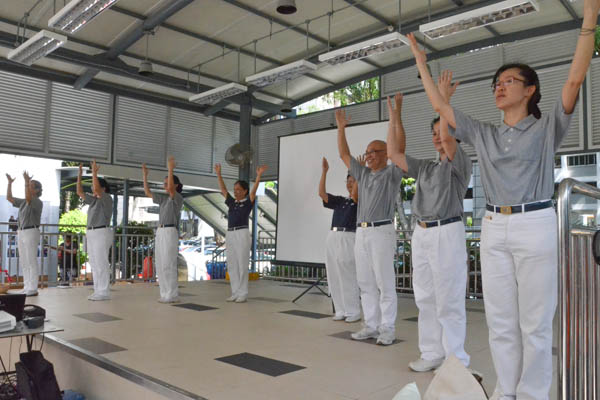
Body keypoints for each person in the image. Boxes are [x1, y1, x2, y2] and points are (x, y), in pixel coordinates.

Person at [407, 0, 599, 396]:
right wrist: (421, 64)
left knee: (535, 321)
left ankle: (531, 395)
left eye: (509, 81)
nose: (499, 85)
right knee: (500, 320)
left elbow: (575, 80)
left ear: (530, 91)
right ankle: (505, 391)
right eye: (497, 82)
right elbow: (440, 107)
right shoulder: (485, 134)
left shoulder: (548, 128)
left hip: (535, 222)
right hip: (494, 226)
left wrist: (591, 19)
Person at [386, 86, 472, 372]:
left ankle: (455, 359)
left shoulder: (460, 164)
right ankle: (432, 352)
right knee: (425, 297)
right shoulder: (425, 167)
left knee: (449, 298)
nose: (437, 136)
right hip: (421, 233)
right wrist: (395, 118)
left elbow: (448, 136)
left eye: (442, 131)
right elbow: (393, 152)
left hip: (446, 231)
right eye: (433, 133)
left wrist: (444, 103)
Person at [336, 108, 402, 346]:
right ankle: (371, 325)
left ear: (386, 154)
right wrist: (341, 128)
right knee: (365, 281)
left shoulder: (392, 173)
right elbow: (343, 154)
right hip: (361, 232)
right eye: (368, 152)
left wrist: (395, 118)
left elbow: (399, 150)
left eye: (375, 151)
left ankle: (387, 328)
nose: (370, 155)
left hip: (381, 231)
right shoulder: (363, 175)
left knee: (384, 282)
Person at [214, 163, 267, 303]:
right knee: (232, 264)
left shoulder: (248, 202)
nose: (236, 192)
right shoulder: (232, 203)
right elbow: (224, 190)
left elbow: (254, 191)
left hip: (242, 233)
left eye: (238, 189)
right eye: (235, 189)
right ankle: (235, 292)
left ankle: (243, 293)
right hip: (230, 233)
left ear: (244, 191)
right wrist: (218, 174)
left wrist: (259, 175)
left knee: (242, 263)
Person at [318, 157, 361, 323]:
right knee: (333, 274)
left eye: (353, 181)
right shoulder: (341, 201)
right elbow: (321, 193)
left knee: (347, 274)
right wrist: (324, 172)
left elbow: (356, 194)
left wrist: (358, 174)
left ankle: (353, 310)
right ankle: (340, 309)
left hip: (349, 236)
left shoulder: (359, 200)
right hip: (333, 237)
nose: (350, 184)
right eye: (348, 181)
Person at [142, 156, 183, 304]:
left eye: (168, 183)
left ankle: (172, 294)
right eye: (164, 183)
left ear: (176, 185)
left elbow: (171, 189)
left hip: (170, 231)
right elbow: (147, 192)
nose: (166, 186)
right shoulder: (163, 199)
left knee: (168, 263)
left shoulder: (177, 197)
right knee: (160, 263)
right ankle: (165, 293)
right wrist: (145, 176)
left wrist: (170, 169)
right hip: (160, 231)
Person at [77, 161, 113, 301]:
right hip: (92, 232)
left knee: (101, 262)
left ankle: (103, 291)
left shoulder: (106, 198)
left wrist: (94, 173)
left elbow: (97, 190)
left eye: (95, 186)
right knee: (94, 262)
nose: (93, 189)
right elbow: (79, 192)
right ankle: (98, 290)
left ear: (103, 188)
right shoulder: (93, 201)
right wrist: (80, 175)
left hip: (101, 232)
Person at [5, 172, 43, 297]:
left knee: (31, 260)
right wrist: (10, 183)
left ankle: (33, 288)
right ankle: (27, 286)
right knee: (24, 261)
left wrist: (26, 181)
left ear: (37, 190)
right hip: (21, 231)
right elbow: (9, 198)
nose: (28, 187)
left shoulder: (37, 201)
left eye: (31, 186)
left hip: (31, 231)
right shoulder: (23, 202)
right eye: (28, 185)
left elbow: (28, 198)